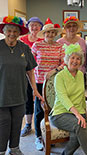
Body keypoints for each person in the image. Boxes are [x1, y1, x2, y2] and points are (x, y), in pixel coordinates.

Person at [0, 16, 43, 155]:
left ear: (19, 34)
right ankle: (1, 150)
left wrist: (35, 90)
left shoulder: (24, 48)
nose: (12, 34)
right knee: (3, 124)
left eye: (15, 31)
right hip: (2, 94)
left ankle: (14, 148)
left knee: (17, 123)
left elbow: (30, 70)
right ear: (5, 31)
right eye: (9, 31)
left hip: (19, 93)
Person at [50, 44, 87, 155]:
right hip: (60, 113)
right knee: (80, 125)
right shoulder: (60, 76)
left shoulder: (81, 75)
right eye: (72, 58)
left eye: (78, 58)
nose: (75, 61)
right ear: (67, 59)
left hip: (78, 112)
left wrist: (84, 113)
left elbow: (81, 96)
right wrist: (77, 114)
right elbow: (63, 97)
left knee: (78, 134)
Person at [31, 18, 65, 151]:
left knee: (53, 109)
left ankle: (50, 134)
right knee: (39, 109)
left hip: (55, 83)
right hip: (39, 82)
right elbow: (29, 63)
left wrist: (54, 70)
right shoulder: (37, 46)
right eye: (47, 32)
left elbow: (64, 63)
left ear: (55, 34)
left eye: (52, 32)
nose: (50, 35)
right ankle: (38, 137)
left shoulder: (59, 46)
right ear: (43, 34)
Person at [19, 17, 44, 137]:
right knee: (28, 99)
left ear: (41, 27)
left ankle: (43, 125)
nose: (34, 28)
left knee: (42, 101)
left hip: (40, 75)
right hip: (26, 74)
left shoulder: (44, 40)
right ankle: (28, 125)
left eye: (37, 25)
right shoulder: (22, 40)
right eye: (32, 25)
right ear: (28, 27)